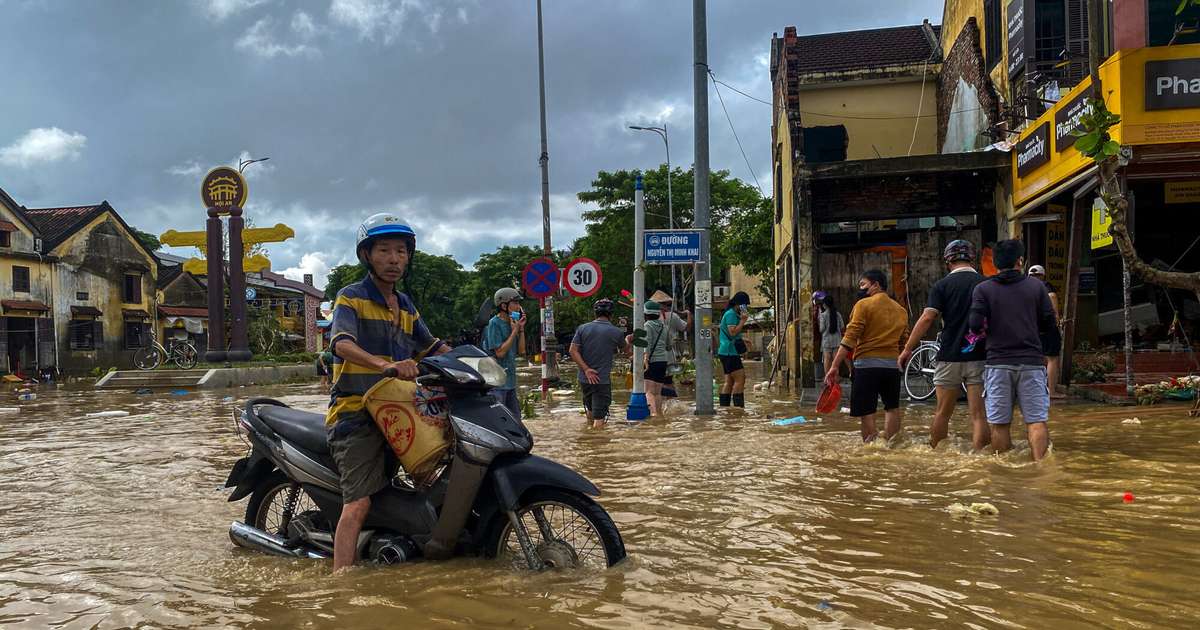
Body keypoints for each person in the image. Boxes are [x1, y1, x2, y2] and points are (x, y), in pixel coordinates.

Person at [326, 213, 451, 572]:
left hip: (400, 409)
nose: (394, 259)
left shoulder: (407, 304)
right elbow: (341, 343)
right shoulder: (350, 298)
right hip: (356, 414)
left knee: (432, 473)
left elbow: (431, 346)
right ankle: (341, 581)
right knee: (358, 503)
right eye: (384, 250)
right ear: (367, 255)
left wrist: (474, 364)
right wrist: (383, 364)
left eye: (401, 251)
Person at [969, 239, 1058, 461]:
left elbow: (975, 326)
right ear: (1020, 261)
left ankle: (1003, 474)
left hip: (997, 363)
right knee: (1036, 421)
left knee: (999, 424)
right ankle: (1040, 468)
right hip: (1031, 362)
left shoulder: (983, 289)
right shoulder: (1036, 287)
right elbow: (1049, 323)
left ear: (996, 263)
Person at [898, 240, 990, 450]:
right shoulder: (985, 284)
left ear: (948, 261)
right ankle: (980, 459)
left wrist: (907, 349)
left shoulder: (941, 286)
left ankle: (937, 456)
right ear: (972, 258)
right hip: (979, 356)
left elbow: (927, 318)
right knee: (979, 415)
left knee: (942, 413)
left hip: (949, 356)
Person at [824, 269, 908, 443]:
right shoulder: (901, 310)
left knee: (867, 411)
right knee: (892, 408)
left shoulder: (863, 305)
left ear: (876, 285)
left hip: (866, 367)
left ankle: (871, 450)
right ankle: (891, 448)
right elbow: (904, 343)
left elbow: (849, 339)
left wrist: (834, 366)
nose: (861, 289)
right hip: (892, 367)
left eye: (863, 284)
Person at [569, 298, 630, 428]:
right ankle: (598, 445)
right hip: (601, 380)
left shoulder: (582, 328)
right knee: (599, 419)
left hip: (584, 379)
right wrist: (628, 340)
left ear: (595, 313)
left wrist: (586, 369)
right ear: (611, 314)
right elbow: (627, 352)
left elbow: (573, 351)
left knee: (590, 411)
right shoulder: (616, 332)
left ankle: (589, 441)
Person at [483, 287, 526, 419]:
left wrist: (521, 330)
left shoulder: (514, 323)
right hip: (497, 383)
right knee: (502, 420)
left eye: (519, 303)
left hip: (511, 382)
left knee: (516, 420)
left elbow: (522, 351)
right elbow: (500, 353)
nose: (519, 307)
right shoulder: (494, 324)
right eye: (515, 303)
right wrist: (514, 331)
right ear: (504, 305)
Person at [1027, 265, 1065, 399]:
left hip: (1031, 328)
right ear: (1043, 275)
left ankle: (1039, 389)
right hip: (1048, 328)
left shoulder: (1025, 288)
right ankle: (1052, 391)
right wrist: (1057, 318)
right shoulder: (1045, 286)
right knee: (1052, 359)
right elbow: (1053, 296)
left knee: (1040, 359)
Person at [650, 289, 690, 398]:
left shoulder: (648, 318)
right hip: (668, 354)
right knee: (668, 381)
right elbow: (687, 327)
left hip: (653, 355)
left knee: (655, 384)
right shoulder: (673, 316)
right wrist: (688, 314)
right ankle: (671, 403)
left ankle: (662, 405)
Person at [717, 291, 752, 407]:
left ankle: (725, 408)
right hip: (729, 352)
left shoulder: (731, 314)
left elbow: (732, 333)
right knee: (740, 379)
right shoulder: (731, 314)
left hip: (725, 351)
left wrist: (743, 339)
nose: (745, 308)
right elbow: (732, 332)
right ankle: (738, 410)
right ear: (738, 304)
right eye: (744, 305)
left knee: (729, 381)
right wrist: (743, 321)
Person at [641, 300, 672, 416]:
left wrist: (645, 359)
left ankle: (654, 415)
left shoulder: (647, 325)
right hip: (663, 361)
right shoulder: (664, 327)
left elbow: (647, 343)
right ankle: (659, 414)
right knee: (658, 393)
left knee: (648, 391)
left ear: (646, 314)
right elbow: (669, 345)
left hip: (651, 361)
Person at [815, 291, 845, 377]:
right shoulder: (837, 314)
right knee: (835, 361)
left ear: (825, 304)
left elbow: (821, 329)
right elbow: (842, 327)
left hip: (826, 341)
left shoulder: (823, 315)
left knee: (827, 361)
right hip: (837, 341)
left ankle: (827, 380)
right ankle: (835, 379)